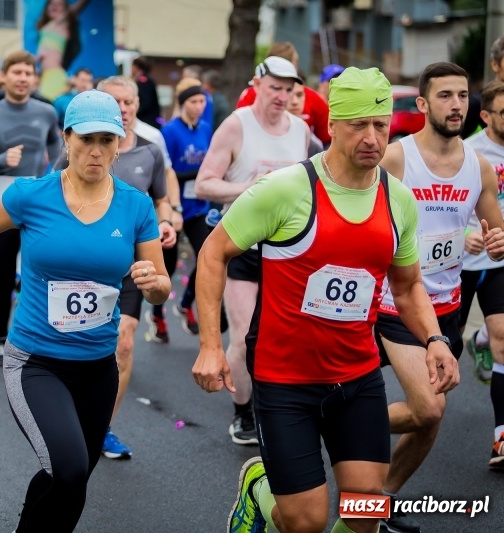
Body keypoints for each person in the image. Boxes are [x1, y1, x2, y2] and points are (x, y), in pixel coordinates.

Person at [192, 66, 463, 533]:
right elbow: (214, 252)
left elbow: (407, 285)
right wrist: (211, 346)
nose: (372, 138)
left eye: (380, 125)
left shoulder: (397, 199)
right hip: (285, 379)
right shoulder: (287, 189)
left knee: (365, 515)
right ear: (333, 125)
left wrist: (434, 338)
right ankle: (258, 488)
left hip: (356, 377)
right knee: (306, 522)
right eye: (359, 125)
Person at [0, 89, 169, 532]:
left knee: (69, 478)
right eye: (86, 139)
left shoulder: (135, 205)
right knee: (69, 470)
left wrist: (155, 285)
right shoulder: (32, 194)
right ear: (66, 139)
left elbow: (158, 287)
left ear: (120, 143)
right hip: (36, 363)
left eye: (107, 139)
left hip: (98, 367)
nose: (96, 151)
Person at [376, 62, 504, 532]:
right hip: (390, 301)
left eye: (463, 95)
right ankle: (339, 425)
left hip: (445, 306)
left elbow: (495, 228)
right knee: (430, 407)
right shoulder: (395, 158)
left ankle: (377, 504)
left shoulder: (479, 167)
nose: (457, 104)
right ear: (425, 105)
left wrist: (493, 240)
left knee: (428, 420)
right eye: (446, 95)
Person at [53, 75, 176, 459]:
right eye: (115, 102)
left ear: (138, 105)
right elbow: (51, 193)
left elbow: (161, 199)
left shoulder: (151, 151)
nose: (123, 109)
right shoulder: (77, 147)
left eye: (129, 102)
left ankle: (101, 425)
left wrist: (167, 220)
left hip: (128, 270)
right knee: (74, 344)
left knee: (123, 343)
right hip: (77, 270)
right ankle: (67, 409)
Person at [195, 56, 309, 446]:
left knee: (287, 337)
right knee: (245, 337)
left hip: (289, 248)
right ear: (257, 83)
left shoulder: (302, 130)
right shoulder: (236, 125)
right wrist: (251, 187)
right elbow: (204, 185)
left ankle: (282, 409)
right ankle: (243, 412)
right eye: (274, 87)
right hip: (242, 243)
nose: (282, 96)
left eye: (289, 88)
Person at [0, 50, 61, 364]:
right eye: (17, 72)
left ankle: (41, 337)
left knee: (44, 273)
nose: (23, 78)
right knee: (5, 277)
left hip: (40, 207)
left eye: (28, 73)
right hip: (2, 208)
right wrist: (0, 160)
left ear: (34, 78)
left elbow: (60, 153)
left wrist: (53, 181)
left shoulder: (46, 111)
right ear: (4, 76)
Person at [462, 80, 504, 470]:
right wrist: (465, 235)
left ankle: (502, 438)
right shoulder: (468, 154)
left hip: (497, 262)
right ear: (486, 116)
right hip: (456, 266)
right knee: (435, 371)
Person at [159, 78, 212, 335]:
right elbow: (165, 172)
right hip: (172, 207)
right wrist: (196, 173)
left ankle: (185, 303)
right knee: (166, 269)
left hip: (198, 207)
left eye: (202, 101)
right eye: (193, 101)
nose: (199, 106)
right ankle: (157, 315)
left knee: (207, 257)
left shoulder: (205, 129)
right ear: (183, 103)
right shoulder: (169, 131)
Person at [237, 41, 330, 146]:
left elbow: (327, 140)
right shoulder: (248, 98)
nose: (284, 98)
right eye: (275, 88)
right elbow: (240, 134)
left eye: (290, 91)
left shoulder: (312, 98)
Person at [35, 0, 89, 101]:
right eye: (51, 3)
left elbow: (78, 7)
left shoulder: (61, 23)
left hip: (54, 76)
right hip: (45, 76)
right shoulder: (47, 26)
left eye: (60, 4)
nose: (54, 6)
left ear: (66, 9)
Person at [132, 56, 162, 129]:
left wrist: (134, 110)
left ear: (137, 67)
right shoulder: (146, 80)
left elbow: (145, 102)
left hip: (147, 120)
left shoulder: (144, 81)